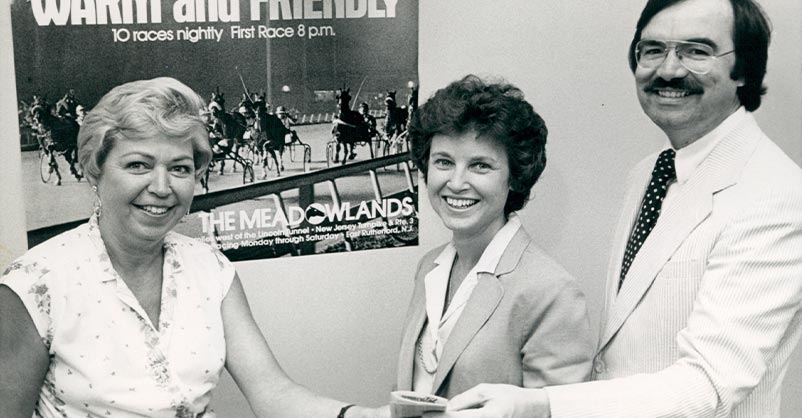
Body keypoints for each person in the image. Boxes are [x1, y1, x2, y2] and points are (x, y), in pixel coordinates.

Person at [436, 0, 802, 417]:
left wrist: (542, 404)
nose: (669, 70)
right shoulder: (647, 173)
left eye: (696, 51)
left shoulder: (775, 195)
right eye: (652, 50)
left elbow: (708, 383)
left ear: (744, 69)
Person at [0, 77, 385, 418]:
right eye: (138, 165)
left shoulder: (211, 269)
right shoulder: (35, 284)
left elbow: (273, 393)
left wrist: (369, 416)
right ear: (95, 170)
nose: (163, 187)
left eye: (180, 168)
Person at [395, 75, 594, 400]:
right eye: (444, 162)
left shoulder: (552, 293)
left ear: (515, 177)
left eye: (480, 166)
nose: (456, 182)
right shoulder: (428, 267)